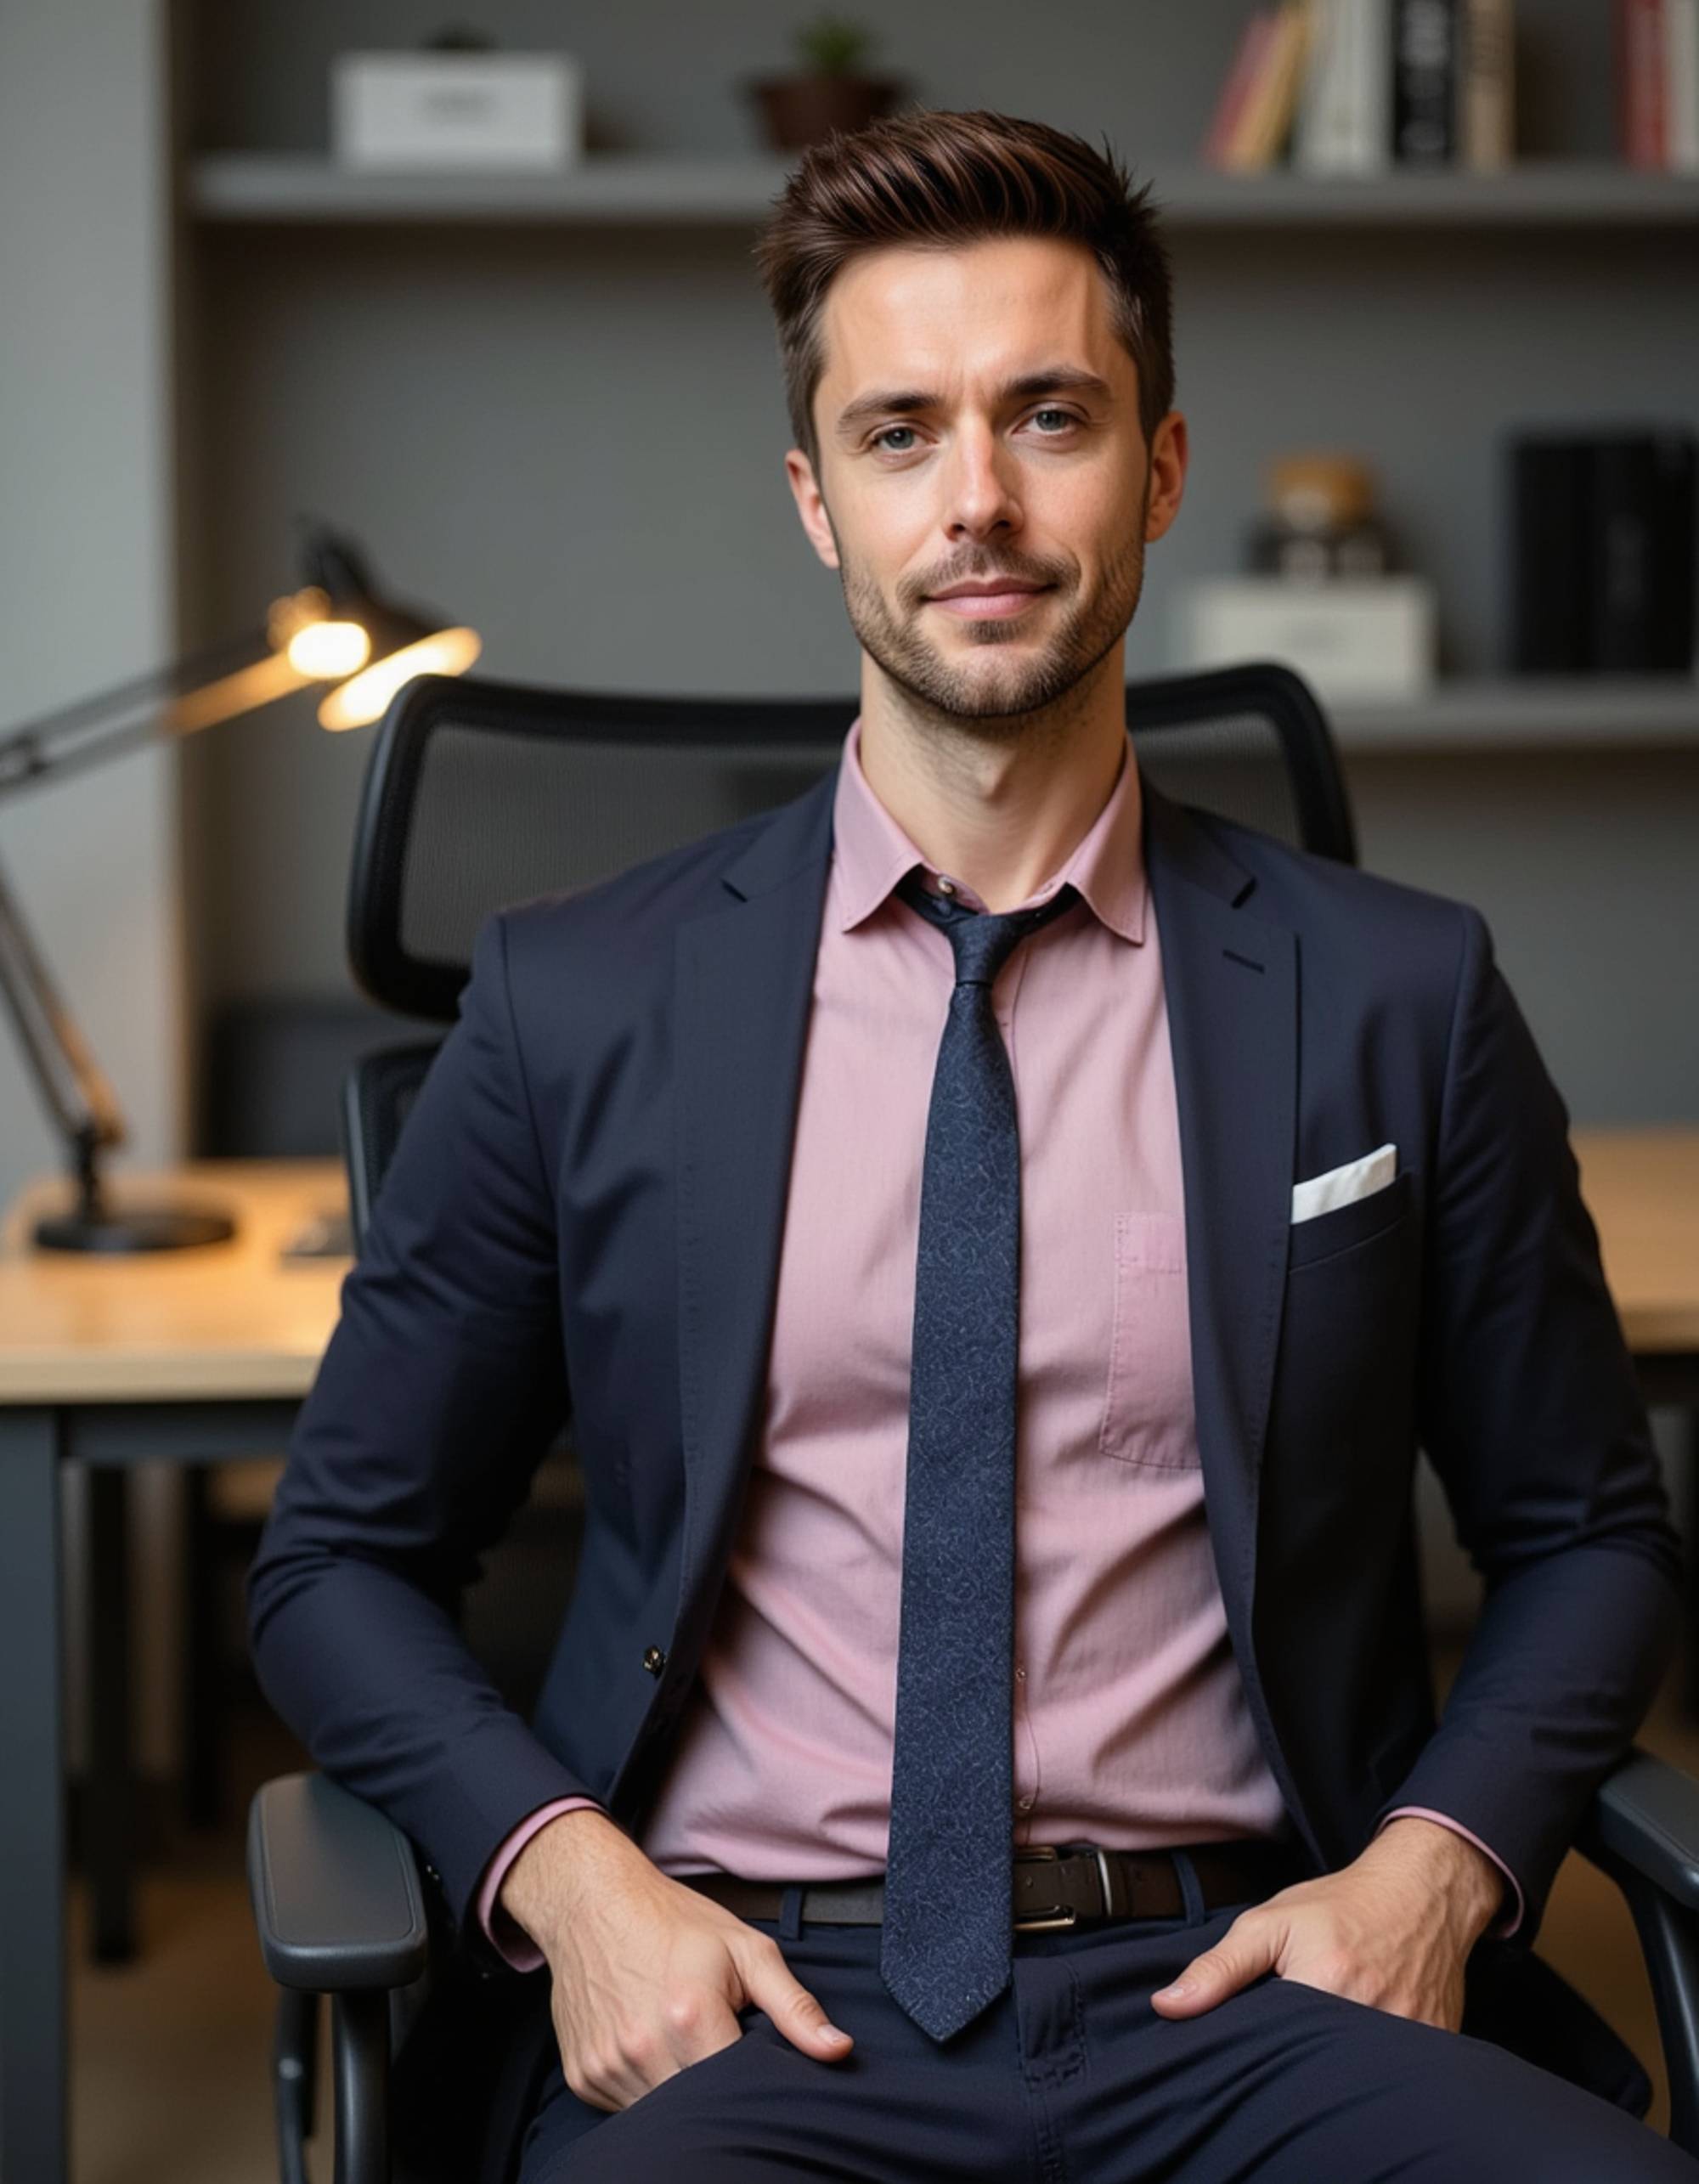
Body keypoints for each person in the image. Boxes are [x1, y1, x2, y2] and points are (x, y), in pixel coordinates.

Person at [247, 108, 1693, 2183]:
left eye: (1050, 416)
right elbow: (337, 1565)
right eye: (903, 432)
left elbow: (1586, 1533)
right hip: (750, 2001)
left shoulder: (1400, 992)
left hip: (1253, 1987)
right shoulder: (579, 997)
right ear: (816, 502)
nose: (982, 502)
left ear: (1163, 467)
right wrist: (573, 1881)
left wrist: (1438, 1871)